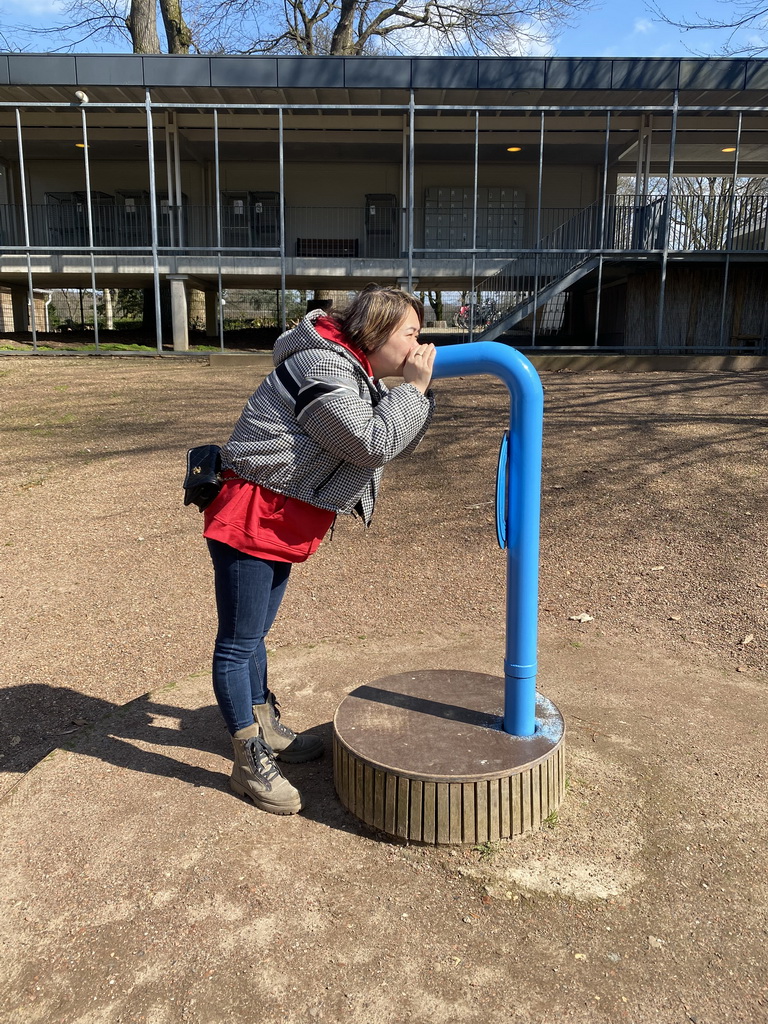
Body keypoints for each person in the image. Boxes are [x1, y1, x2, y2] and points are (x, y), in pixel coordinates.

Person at [203, 285, 436, 816]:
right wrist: (414, 391)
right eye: (411, 333)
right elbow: (370, 443)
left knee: (254, 633)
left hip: (283, 514)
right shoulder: (321, 367)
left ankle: (263, 721)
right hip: (252, 513)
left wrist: (414, 395)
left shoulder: (354, 371)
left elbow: (392, 438)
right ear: (375, 333)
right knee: (238, 643)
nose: (419, 344)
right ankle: (247, 759)